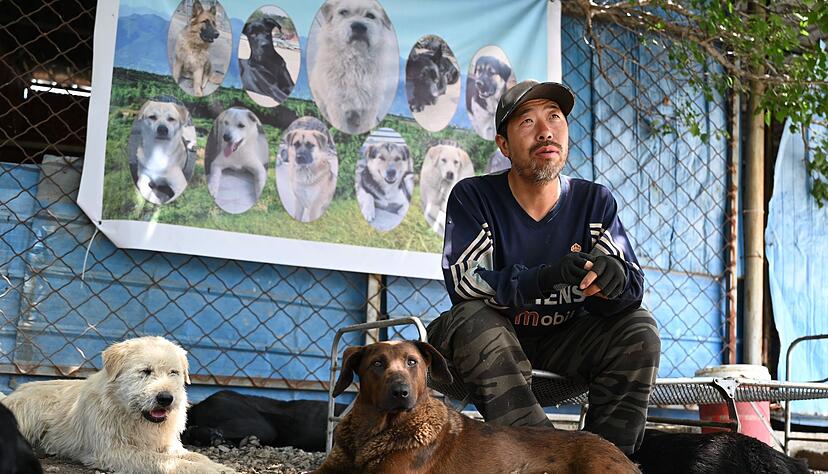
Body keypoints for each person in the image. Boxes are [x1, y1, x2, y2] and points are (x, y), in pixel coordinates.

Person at [427, 80, 661, 454]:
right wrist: (544, 278)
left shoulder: (592, 202)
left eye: (554, 117)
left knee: (639, 328)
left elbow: (630, 288)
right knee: (474, 320)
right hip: (480, 348)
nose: (545, 130)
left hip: (563, 344)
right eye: (527, 121)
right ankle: (551, 461)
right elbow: (466, 284)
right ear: (504, 145)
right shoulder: (475, 197)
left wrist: (613, 281)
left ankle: (609, 461)